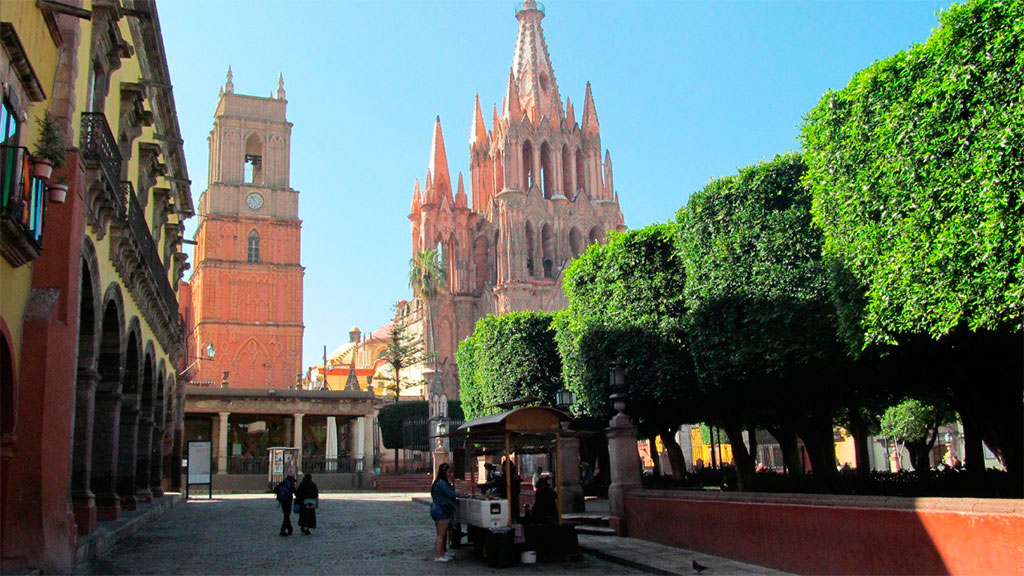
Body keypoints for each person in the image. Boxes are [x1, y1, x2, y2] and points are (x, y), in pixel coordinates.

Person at [430, 463, 458, 563]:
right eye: (449, 472)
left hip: (440, 509)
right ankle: (438, 555)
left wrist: (453, 482)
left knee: (443, 534)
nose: (451, 474)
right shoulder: (441, 483)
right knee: (441, 534)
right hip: (441, 510)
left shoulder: (441, 482)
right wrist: (467, 488)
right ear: (444, 472)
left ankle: (442, 552)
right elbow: (453, 494)